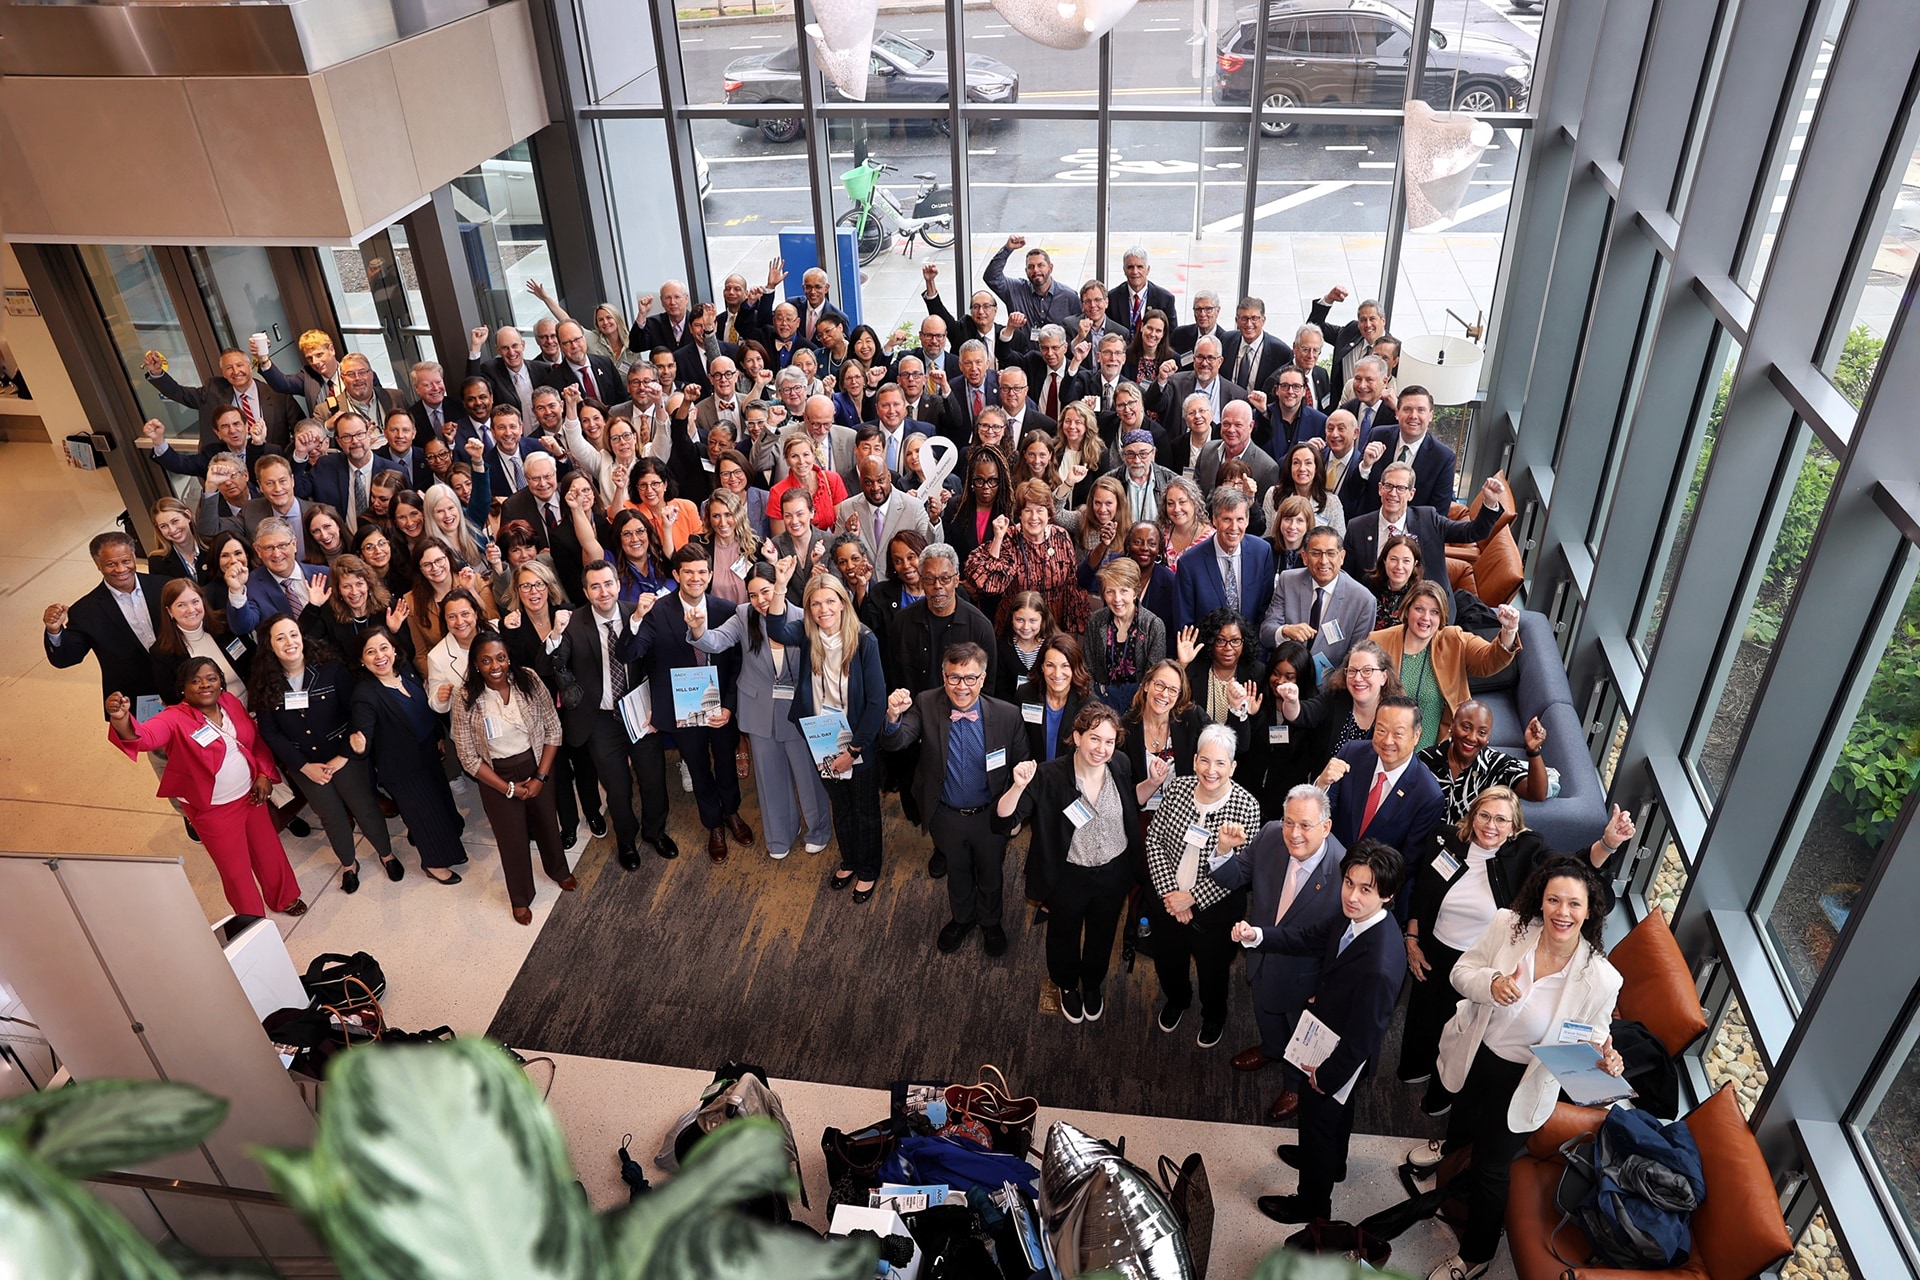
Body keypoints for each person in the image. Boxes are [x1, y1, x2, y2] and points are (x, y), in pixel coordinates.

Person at [1423, 858, 1626, 1280]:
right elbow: (1461, 973)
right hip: (1476, 1052)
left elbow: (1595, 1036)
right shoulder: (1507, 926)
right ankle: (1446, 1186)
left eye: (1574, 903)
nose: (1562, 912)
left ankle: (1476, 1254)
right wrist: (1492, 983)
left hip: (1524, 1081)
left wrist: (1606, 1057)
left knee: (1491, 1169)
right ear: (1541, 899)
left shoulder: (1603, 980)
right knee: (1459, 1127)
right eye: (1553, 899)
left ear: (1590, 911)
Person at [1399, 791, 1634, 1111]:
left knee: (1463, 1033)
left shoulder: (1526, 851)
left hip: (1484, 960)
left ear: (1514, 828)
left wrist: (1606, 845)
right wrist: (1412, 937)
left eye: (1501, 820)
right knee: (1422, 1023)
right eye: (1484, 815)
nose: (1490, 826)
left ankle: (1444, 1099)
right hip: (1433, 949)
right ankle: (1418, 1073)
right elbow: (1421, 889)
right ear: (1471, 815)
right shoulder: (1445, 839)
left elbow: (1569, 871)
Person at [1236, 840, 1407, 1226]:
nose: (1352, 896)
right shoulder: (1355, 918)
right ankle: (1335, 1164)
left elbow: (1365, 1037)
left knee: (1316, 1124)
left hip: (1338, 1057)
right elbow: (1309, 937)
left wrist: (1326, 1078)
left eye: (1366, 889)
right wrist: (1258, 936)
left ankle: (1312, 1204)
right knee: (1336, 1119)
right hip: (1327, 1030)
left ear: (1389, 894)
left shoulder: (1380, 963)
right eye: (1349, 883)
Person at [105, 666, 307, 917]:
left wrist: (264, 774)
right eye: (195, 681)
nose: (205, 685)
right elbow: (144, 738)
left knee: (268, 849)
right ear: (183, 688)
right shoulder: (173, 718)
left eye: (211, 679)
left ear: (221, 684)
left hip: (251, 796)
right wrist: (121, 718)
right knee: (235, 871)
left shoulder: (230, 703)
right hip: (213, 810)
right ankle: (253, 921)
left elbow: (252, 739)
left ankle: (284, 897)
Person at [997, 702, 1143, 1022]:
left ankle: (1091, 983)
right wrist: (1018, 785)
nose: (1101, 749)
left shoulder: (1119, 763)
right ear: (1077, 736)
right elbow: (1006, 819)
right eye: (1094, 738)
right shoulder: (1049, 775)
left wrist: (1153, 785)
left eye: (1108, 741)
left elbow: (1130, 803)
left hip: (1113, 872)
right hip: (1068, 875)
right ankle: (1066, 985)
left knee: (1102, 933)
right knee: (1063, 934)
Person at [1214, 784, 1346, 1123]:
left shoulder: (1344, 871)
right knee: (1266, 1016)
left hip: (1305, 979)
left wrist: (1326, 990)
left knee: (1299, 1037)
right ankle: (1271, 1049)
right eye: (1289, 822)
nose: (1294, 833)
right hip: (1259, 961)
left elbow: (1335, 943)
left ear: (1326, 827)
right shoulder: (1271, 834)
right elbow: (1235, 876)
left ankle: (1293, 1084)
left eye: (1305, 825)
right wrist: (1223, 850)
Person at [885, 641, 1030, 941]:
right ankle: (962, 918)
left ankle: (990, 922)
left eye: (970, 678)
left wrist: (1014, 817)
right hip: (946, 814)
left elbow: (1023, 769)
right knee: (958, 871)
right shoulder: (926, 704)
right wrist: (893, 717)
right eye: (953, 677)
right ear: (943, 676)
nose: (961, 686)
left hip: (990, 815)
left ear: (983, 678)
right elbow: (896, 742)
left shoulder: (1007, 715)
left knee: (991, 874)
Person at [693, 561, 833, 861]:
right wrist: (697, 629)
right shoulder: (743, 615)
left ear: (778, 586)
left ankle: (818, 830)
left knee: (807, 778)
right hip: (758, 710)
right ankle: (780, 834)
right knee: (769, 780)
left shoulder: (802, 616)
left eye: (766, 592)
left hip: (798, 711)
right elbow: (715, 642)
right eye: (753, 595)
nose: (760, 601)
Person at [250, 616, 400, 892]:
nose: (289, 642)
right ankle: (348, 864)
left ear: (302, 637)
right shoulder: (264, 683)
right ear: (270, 645)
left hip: (344, 756)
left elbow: (356, 712)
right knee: (331, 816)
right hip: (305, 765)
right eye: (280, 637)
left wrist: (343, 756)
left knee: (365, 808)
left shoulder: (331, 670)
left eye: (293, 634)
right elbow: (270, 734)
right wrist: (304, 766)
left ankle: (386, 854)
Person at [626, 544, 752, 862]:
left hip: (721, 707)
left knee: (725, 763)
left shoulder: (726, 610)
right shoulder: (658, 611)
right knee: (697, 768)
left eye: (701, 572)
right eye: (688, 572)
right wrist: (637, 619)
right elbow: (633, 655)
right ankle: (714, 824)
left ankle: (732, 813)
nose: (695, 578)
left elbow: (738, 663)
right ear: (676, 575)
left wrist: (730, 705)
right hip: (684, 711)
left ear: (710, 575)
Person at [1142, 724, 1262, 1047]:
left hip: (1215, 913)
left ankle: (1214, 1015)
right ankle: (1178, 999)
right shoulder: (1178, 789)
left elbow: (1239, 871)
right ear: (1194, 761)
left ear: (1233, 767)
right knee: (1167, 961)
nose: (1211, 770)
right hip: (1166, 903)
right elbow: (1153, 841)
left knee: (1214, 971)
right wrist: (1171, 895)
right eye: (1205, 761)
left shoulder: (1247, 806)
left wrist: (1192, 899)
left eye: (1221, 763)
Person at [770, 570, 887, 899]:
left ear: (843, 602)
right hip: (821, 738)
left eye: (830, 601)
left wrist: (854, 749)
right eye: (815, 603)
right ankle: (850, 859)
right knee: (841, 805)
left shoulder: (865, 640)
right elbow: (776, 627)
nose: (823, 610)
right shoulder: (808, 635)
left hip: (856, 740)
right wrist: (780, 586)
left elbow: (877, 701)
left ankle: (869, 867)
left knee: (865, 809)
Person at [449, 635, 577, 925]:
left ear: (509, 658)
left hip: (535, 763)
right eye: (486, 660)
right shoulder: (465, 697)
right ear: (476, 664)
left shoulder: (528, 679)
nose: (496, 665)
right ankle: (520, 897)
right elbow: (468, 756)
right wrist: (507, 788)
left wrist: (540, 777)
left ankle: (559, 870)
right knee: (512, 839)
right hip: (495, 775)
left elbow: (553, 729)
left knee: (547, 822)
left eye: (501, 657)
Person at [1309, 696, 1445, 921]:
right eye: (1381, 730)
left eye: (1398, 733)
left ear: (1416, 736)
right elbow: (1321, 813)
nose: (1387, 740)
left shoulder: (1428, 794)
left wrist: (1359, 884)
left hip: (1371, 895)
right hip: (1326, 873)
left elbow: (1408, 862)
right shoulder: (1351, 752)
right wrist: (1321, 783)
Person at [348, 628, 468, 881]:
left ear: (393, 649)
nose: (379, 656)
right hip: (402, 768)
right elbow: (363, 736)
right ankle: (435, 864)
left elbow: (424, 707)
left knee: (441, 800)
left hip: (427, 752)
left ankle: (450, 833)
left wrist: (437, 736)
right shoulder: (365, 694)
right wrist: (359, 745)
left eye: (383, 648)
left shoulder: (406, 672)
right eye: (370, 652)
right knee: (424, 815)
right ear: (362, 659)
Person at [1369, 582, 1521, 749]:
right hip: (1386, 748)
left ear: (1442, 617)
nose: (1425, 618)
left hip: (1434, 754)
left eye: (1434, 612)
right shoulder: (1379, 641)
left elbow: (1489, 660)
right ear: (1407, 609)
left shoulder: (1454, 639)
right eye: (1419, 609)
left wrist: (1509, 630)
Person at [1344, 463, 1507, 584]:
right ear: (1380, 489)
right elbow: (1347, 578)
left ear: (1411, 494)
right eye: (1388, 486)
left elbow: (1473, 532)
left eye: (1401, 488)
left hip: (1428, 610)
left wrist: (1490, 503)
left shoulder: (1428, 519)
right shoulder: (1357, 527)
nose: (1393, 493)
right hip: (1376, 611)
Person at [966, 479, 1090, 636]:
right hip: (1017, 630)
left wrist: (1070, 633)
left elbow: (1071, 585)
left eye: (1040, 510)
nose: (1034, 517)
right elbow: (989, 584)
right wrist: (997, 538)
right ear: (1019, 514)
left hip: (1053, 629)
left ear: (1049, 513)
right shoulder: (1009, 538)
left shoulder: (1061, 536)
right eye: (1028, 511)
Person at [1260, 526, 1377, 677]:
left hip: (1331, 689)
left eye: (1331, 553)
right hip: (1286, 680)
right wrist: (1285, 631)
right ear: (1304, 557)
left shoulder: (1363, 601)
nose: (1323, 561)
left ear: (1342, 557)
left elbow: (1356, 659)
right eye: (1316, 553)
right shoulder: (1288, 581)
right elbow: (1266, 632)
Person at [1278, 638, 1406, 776]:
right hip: (1327, 789)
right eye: (1352, 671)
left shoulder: (1395, 713)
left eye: (1367, 671)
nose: (1357, 678)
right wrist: (1291, 701)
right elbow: (1301, 714)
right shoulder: (1335, 699)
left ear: (1384, 677)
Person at [1417, 699, 1550, 823]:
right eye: (1466, 727)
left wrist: (1534, 751)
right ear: (1452, 724)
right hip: (1427, 842)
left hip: (1474, 843)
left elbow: (1537, 794)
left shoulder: (1497, 764)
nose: (1472, 737)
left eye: (1482, 732)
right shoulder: (1426, 760)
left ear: (1488, 737)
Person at [1124, 659, 1214, 824]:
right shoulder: (1125, 728)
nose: (1164, 694)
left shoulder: (1191, 718)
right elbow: (1122, 792)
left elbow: (1228, 744)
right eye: (1159, 685)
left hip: (1184, 818)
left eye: (1173, 690)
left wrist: (1239, 710)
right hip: (1140, 819)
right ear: (1146, 685)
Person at [1174, 486, 1273, 633]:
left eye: (1240, 519)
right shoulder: (1189, 564)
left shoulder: (1262, 552)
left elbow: (1265, 611)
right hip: (1206, 652)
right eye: (1227, 519)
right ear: (1214, 519)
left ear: (1247, 520)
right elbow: (1185, 623)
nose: (1234, 527)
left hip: (1251, 650)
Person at [150, 577, 254, 709]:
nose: (191, 609)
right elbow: (173, 699)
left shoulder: (226, 625)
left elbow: (254, 661)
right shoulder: (161, 652)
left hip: (252, 708)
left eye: (195, 602)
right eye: (181, 605)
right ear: (169, 611)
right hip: (207, 722)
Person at [1084, 557, 1165, 712]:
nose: (1117, 599)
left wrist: (1135, 710)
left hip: (1139, 707)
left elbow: (1153, 678)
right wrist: (1096, 705)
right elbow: (1087, 669)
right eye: (1110, 592)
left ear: (1135, 591)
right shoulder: (1096, 621)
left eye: (1124, 590)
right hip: (1100, 705)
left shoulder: (1153, 625)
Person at [1183, 607, 1262, 744]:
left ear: (1244, 643)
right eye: (1220, 640)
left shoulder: (1256, 673)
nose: (1228, 648)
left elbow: (1245, 745)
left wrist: (1243, 714)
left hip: (1240, 759)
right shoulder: (1193, 669)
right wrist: (1182, 665)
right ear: (1211, 642)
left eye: (1235, 640)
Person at [1021, 633, 1091, 763]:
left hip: (1068, 777)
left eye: (1065, 666)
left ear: (1075, 667)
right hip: (1032, 775)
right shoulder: (1025, 694)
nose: (1057, 674)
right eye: (1050, 665)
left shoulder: (1088, 704)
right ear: (1042, 667)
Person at [426, 589, 491, 714]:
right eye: (452, 617)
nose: (460, 622)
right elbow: (436, 705)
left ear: (476, 613)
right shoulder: (436, 656)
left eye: (465, 614)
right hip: (470, 720)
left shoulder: (496, 630)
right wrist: (441, 698)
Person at [1273, 442, 1345, 535]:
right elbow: (1266, 538)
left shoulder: (1332, 503)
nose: (1302, 468)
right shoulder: (1274, 494)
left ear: (1316, 468)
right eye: (1296, 463)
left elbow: (1338, 543)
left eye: (1308, 463)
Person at [1367, 534, 1423, 633]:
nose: (1399, 566)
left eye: (1406, 561)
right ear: (1384, 560)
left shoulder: (1420, 594)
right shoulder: (1368, 584)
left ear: (1415, 564)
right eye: (1393, 559)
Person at [1158, 475, 1211, 568]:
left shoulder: (1210, 539)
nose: (1176, 509)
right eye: (1170, 504)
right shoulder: (1160, 533)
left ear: (1195, 503)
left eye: (1182, 502)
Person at [148, 497, 205, 582]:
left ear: (188, 515)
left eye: (175, 521)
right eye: (164, 526)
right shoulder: (157, 562)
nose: (172, 530)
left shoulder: (211, 547)